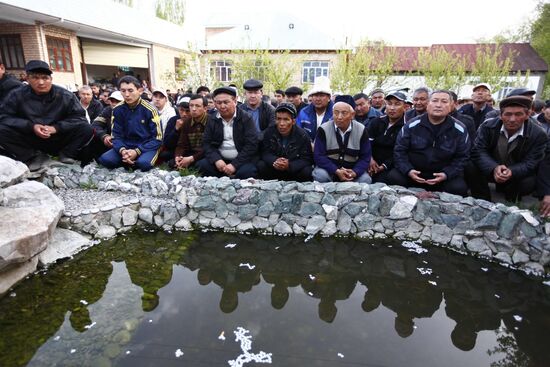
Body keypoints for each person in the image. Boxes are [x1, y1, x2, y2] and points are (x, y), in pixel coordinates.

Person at [0, 60, 93, 170]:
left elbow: (79, 117)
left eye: (45, 78)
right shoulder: (16, 95)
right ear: (27, 79)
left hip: (58, 137)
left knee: (86, 128)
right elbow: (4, 116)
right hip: (31, 137)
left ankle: (66, 154)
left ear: (51, 79)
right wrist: (31, 126)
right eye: (35, 78)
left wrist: (56, 128)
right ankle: (33, 157)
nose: (41, 82)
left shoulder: (65, 95)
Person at [387, 90, 470, 196]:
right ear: (428, 105)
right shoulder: (412, 125)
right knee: (393, 177)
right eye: (435, 101)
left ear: (451, 106)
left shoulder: (459, 129)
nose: (438, 105)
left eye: (444, 101)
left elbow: (462, 157)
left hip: (442, 176)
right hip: (414, 173)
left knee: (458, 187)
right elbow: (399, 151)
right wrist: (408, 170)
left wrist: (446, 174)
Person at [470, 96, 547, 202]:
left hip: (516, 173)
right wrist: (494, 168)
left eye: (518, 114)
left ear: (527, 115)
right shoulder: (487, 127)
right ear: (501, 115)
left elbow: (531, 162)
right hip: (491, 169)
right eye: (508, 114)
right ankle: (483, 200)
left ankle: (511, 198)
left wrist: (512, 171)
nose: (512, 119)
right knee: (470, 165)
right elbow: (478, 151)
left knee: (528, 184)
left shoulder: (538, 134)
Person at [98, 76, 162, 172]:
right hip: (126, 145)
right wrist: (123, 150)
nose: (127, 94)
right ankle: (128, 159)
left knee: (144, 164)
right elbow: (116, 136)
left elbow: (157, 139)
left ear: (140, 91)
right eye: (123, 91)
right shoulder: (117, 109)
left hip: (145, 146)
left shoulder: (150, 110)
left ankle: (132, 161)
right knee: (105, 160)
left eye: (130, 90)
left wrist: (137, 151)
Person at [196, 86, 258, 179]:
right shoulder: (212, 119)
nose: (222, 106)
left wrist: (234, 165)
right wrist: (216, 159)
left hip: (241, 160)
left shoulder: (246, 118)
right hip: (221, 160)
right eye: (218, 103)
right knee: (202, 165)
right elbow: (206, 143)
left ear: (235, 101)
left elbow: (251, 145)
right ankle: (222, 180)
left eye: (226, 102)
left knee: (247, 172)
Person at [312, 95, 372, 183]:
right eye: (336, 112)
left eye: (344, 113)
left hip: (352, 169)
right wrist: (336, 171)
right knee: (320, 176)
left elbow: (365, 157)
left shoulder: (361, 129)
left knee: (365, 180)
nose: (339, 117)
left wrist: (355, 172)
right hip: (329, 169)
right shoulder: (323, 129)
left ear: (352, 115)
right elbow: (319, 156)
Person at [257, 103, 313, 181]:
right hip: (274, 168)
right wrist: (275, 161)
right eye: (278, 119)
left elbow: (307, 159)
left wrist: (289, 165)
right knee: (261, 165)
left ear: (293, 121)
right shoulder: (269, 132)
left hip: (293, 170)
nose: (281, 124)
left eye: (286, 119)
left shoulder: (302, 135)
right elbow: (265, 153)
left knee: (307, 171)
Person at [367, 91, 407, 183]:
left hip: (391, 165)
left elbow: (401, 152)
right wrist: (370, 159)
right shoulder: (376, 122)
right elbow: (366, 142)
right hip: (370, 161)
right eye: (389, 104)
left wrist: (384, 166)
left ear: (404, 107)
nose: (392, 108)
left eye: (397, 104)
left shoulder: (406, 127)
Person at [172, 94, 208, 170]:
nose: (193, 109)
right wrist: (178, 156)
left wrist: (192, 159)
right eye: (191, 106)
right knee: (173, 162)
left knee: (202, 165)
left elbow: (210, 148)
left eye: (197, 106)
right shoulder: (187, 122)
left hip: (205, 154)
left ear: (205, 108)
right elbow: (181, 144)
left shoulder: (211, 122)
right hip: (191, 153)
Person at [296, 76, 333, 142]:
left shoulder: (335, 113)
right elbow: (297, 132)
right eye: (315, 95)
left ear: (329, 97)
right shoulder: (304, 112)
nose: (318, 99)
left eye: (322, 95)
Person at [90, 90, 123, 159]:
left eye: (117, 101)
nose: (114, 104)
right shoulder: (108, 110)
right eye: (112, 101)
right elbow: (95, 125)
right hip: (112, 141)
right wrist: (104, 136)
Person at [163, 96, 191, 162]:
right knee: (164, 155)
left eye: (187, 111)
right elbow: (167, 143)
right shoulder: (173, 120)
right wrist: (176, 129)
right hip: (174, 150)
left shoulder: (195, 120)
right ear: (178, 109)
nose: (184, 114)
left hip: (190, 151)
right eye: (181, 110)